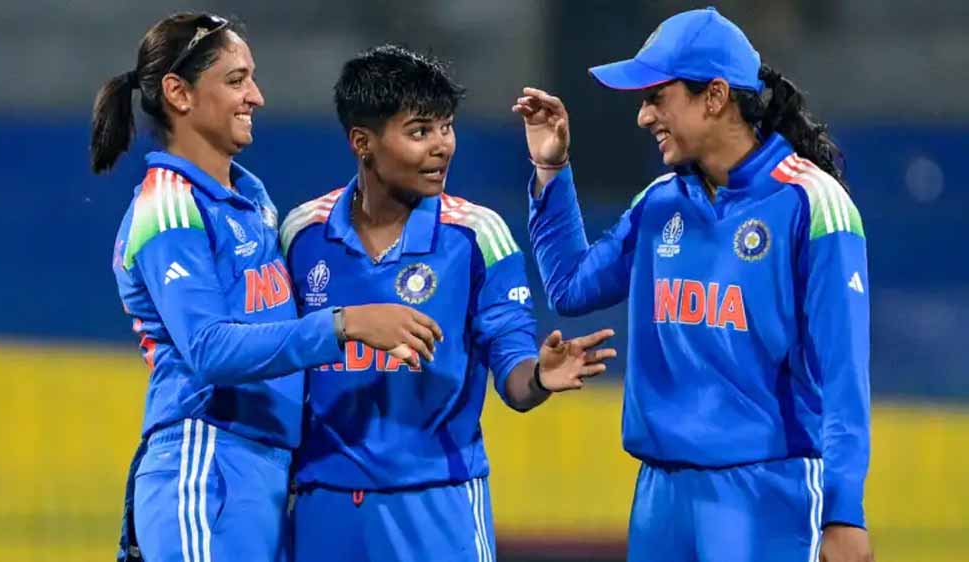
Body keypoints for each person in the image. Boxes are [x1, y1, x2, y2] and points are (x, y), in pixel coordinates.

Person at [513, 7, 872, 562]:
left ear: (715, 96)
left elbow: (844, 377)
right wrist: (551, 171)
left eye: (657, 97)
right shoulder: (659, 203)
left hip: (765, 497)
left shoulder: (811, 204)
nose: (643, 117)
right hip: (660, 498)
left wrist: (844, 512)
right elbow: (569, 288)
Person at [92, 15, 442, 562]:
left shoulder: (252, 203)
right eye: (236, 80)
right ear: (179, 93)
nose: (256, 96)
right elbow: (209, 348)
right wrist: (348, 324)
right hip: (206, 463)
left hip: (265, 473)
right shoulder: (170, 207)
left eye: (251, 78)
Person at [280, 45, 617, 562]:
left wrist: (540, 376)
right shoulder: (302, 234)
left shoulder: (477, 235)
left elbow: (514, 376)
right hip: (322, 505)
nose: (442, 146)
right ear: (363, 142)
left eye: (447, 127)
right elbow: (281, 357)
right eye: (420, 132)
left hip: (438, 506)